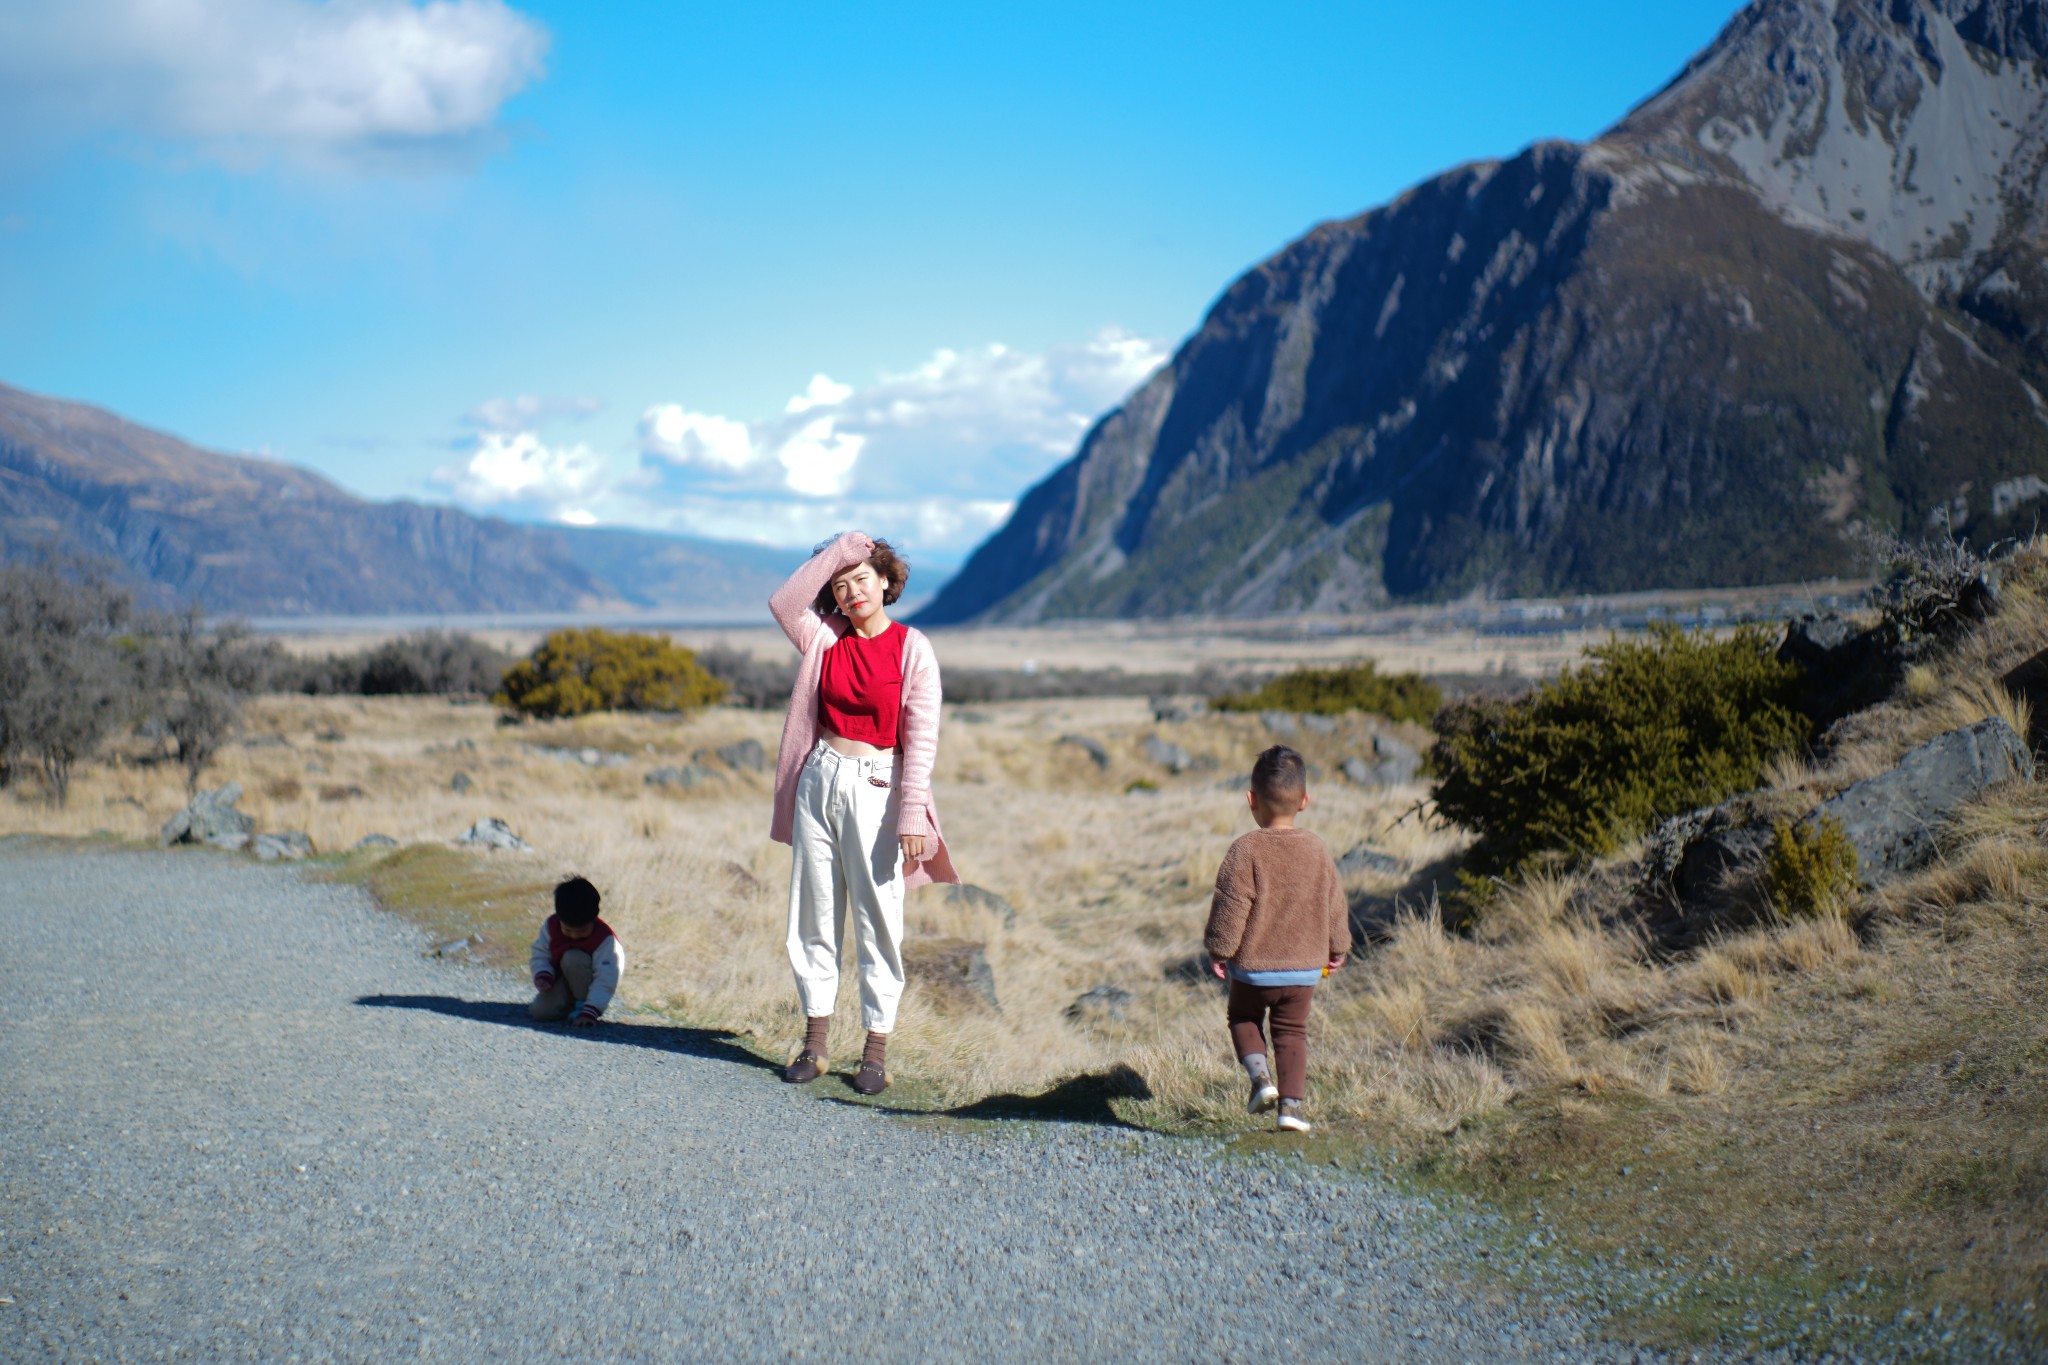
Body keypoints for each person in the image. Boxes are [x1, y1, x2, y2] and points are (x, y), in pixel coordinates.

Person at [767, 530, 959, 1095]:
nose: (852, 593)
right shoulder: (823, 638)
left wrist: (913, 814)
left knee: (878, 921)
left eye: (861, 579)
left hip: (879, 786)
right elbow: (782, 603)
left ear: (885, 582)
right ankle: (816, 1042)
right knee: (814, 914)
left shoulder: (912, 647)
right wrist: (835, 553)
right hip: (819, 778)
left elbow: (922, 738)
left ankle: (874, 1051)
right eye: (841, 585)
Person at [1204, 745, 1350, 1133]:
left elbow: (1231, 905)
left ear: (1251, 800)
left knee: (1243, 1016)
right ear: (1304, 801)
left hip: (1254, 970)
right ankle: (1291, 1108)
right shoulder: (1317, 849)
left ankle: (1260, 1081)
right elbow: (1334, 902)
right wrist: (1339, 947)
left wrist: (1220, 950)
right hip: (1303, 969)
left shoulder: (1245, 849)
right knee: (1292, 1033)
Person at [528, 876, 625, 1027]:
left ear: (595, 918)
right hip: (561, 979)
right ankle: (569, 1005)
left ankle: (583, 1005)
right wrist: (543, 974)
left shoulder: (605, 940)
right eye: (567, 930)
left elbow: (607, 977)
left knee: (572, 957)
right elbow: (540, 954)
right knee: (540, 1012)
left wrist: (591, 1009)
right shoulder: (551, 926)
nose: (574, 936)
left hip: (587, 984)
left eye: (581, 931)